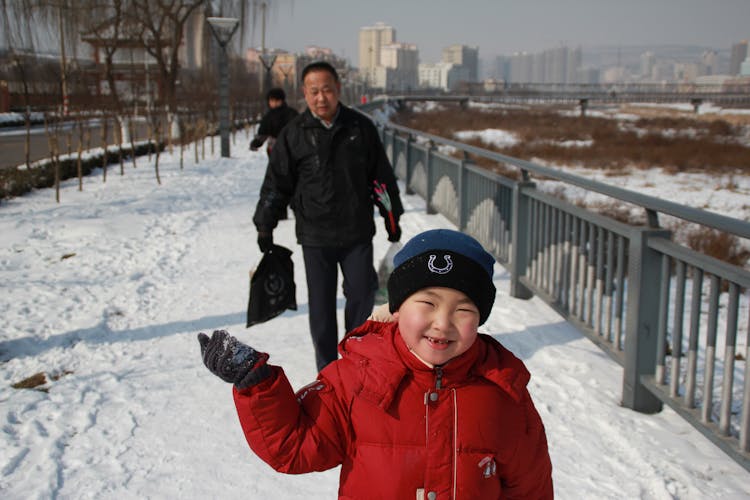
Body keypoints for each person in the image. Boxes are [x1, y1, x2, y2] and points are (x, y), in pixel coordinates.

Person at [197, 229, 554, 499]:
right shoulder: (358, 377)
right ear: (398, 308)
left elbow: (531, 488)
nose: (442, 323)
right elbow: (295, 444)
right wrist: (256, 382)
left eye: (462, 309)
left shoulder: (504, 393)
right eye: (427, 304)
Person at [253, 61, 404, 372]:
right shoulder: (293, 135)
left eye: (327, 90)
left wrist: (391, 217)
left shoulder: (360, 128)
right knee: (321, 308)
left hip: (356, 232)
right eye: (313, 91)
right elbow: (276, 183)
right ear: (304, 94)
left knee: (362, 296)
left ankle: (358, 362)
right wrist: (265, 223)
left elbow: (381, 178)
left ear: (338, 90)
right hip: (315, 235)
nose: (320, 97)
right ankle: (328, 370)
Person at [250, 87, 299, 156]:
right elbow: (263, 132)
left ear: (282, 101)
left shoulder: (291, 114)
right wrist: (256, 143)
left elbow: (299, 130)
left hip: (290, 148)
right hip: (274, 149)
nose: (274, 103)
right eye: (272, 100)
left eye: (277, 100)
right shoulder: (269, 116)